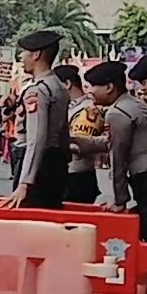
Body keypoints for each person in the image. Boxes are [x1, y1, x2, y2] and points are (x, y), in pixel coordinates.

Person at [83, 60, 147, 294]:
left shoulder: (117, 113)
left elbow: (118, 158)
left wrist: (119, 199)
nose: (90, 92)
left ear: (110, 87)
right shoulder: (135, 105)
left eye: (94, 87)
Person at [0, 30, 69, 209]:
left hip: (38, 165)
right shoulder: (59, 86)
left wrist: (25, 182)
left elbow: (36, 139)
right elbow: (63, 132)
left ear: (36, 54)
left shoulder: (37, 90)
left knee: (31, 223)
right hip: (56, 161)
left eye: (24, 52)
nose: (21, 57)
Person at [58, 64, 104, 205]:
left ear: (67, 84)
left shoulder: (88, 110)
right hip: (67, 173)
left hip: (77, 176)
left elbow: (79, 144)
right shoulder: (69, 106)